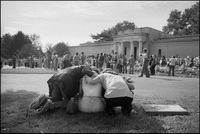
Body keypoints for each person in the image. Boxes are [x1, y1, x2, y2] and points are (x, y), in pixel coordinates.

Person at [29, 65, 95, 114]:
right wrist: (96, 74)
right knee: (68, 103)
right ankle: (51, 105)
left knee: (55, 98)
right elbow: (85, 71)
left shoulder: (75, 67)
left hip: (56, 78)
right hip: (65, 80)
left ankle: (43, 99)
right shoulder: (87, 67)